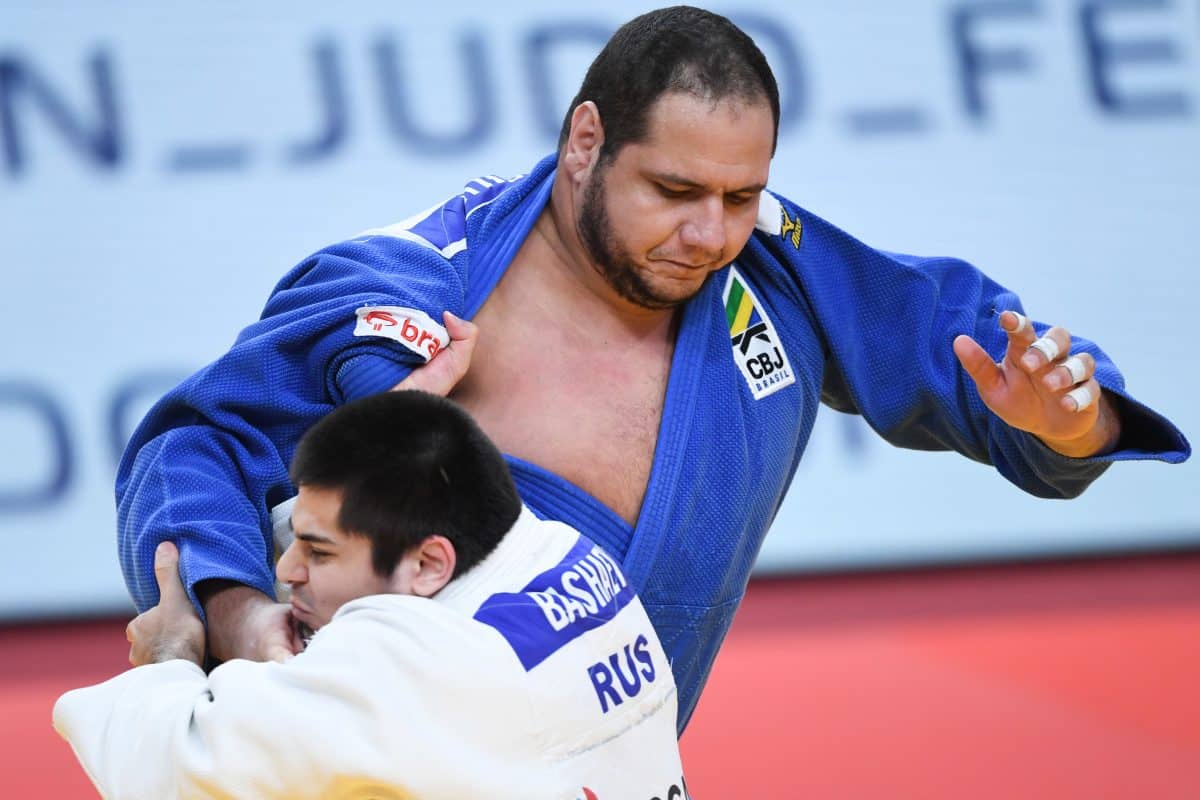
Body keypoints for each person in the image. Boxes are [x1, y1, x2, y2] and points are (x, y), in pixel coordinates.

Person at [114, 5, 1190, 733]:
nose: (710, 231)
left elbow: (960, 341)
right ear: (586, 142)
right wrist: (240, 612)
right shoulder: (412, 290)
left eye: (738, 193)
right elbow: (193, 441)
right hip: (366, 765)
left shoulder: (772, 265)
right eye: (674, 190)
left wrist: (1067, 419)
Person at [56, 391, 686, 799]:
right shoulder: (558, 549)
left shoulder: (415, 670)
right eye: (299, 542)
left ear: (428, 562)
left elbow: (170, 771)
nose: (292, 571)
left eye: (320, 554)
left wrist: (172, 656)